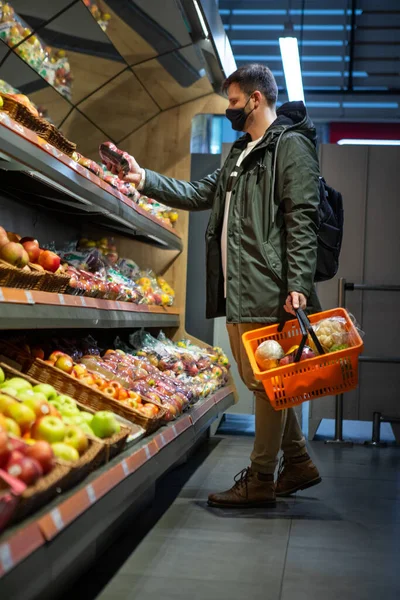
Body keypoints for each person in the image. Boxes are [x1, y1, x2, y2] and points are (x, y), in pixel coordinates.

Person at [105, 64, 322, 508]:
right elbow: (198, 193)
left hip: (269, 285)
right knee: (265, 380)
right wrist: (143, 177)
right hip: (241, 286)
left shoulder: (290, 147)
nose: (229, 109)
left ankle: (261, 477)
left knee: (264, 383)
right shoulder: (241, 152)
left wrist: (298, 282)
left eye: (234, 101)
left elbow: (303, 219)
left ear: (257, 100)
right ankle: (297, 460)